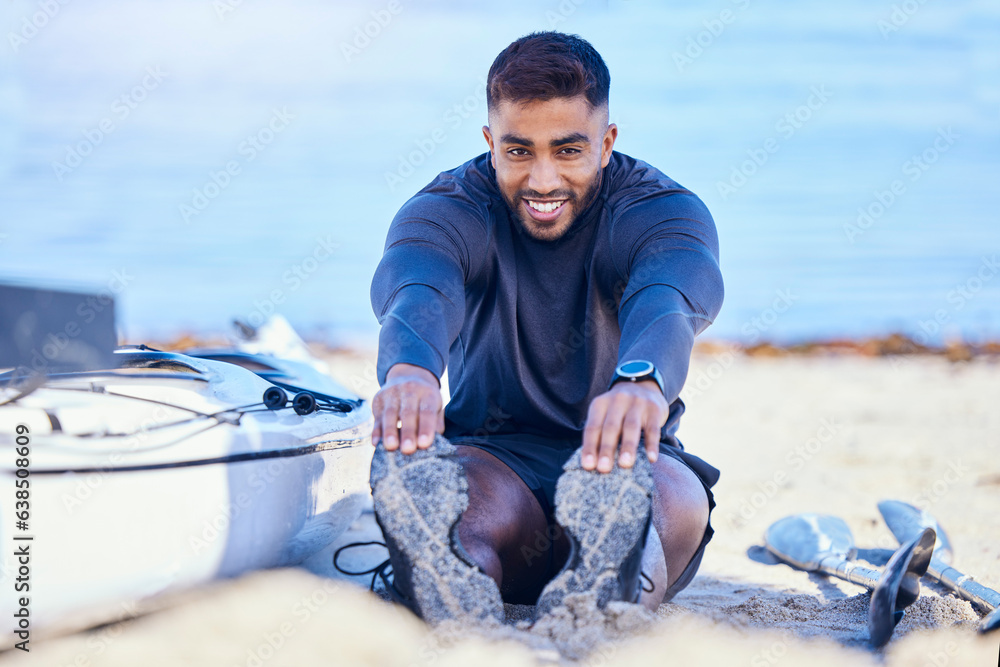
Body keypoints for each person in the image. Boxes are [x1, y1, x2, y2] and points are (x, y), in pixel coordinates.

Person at [367, 31, 723, 625]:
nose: (541, 181)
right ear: (489, 143)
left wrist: (641, 380)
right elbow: (418, 284)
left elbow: (671, 298)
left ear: (606, 143)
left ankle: (611, 587)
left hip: (629, 454)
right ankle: (450, 584)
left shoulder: (660, 211)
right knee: (463, 512)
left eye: (567, 151)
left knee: (668, 500)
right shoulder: (450, 208)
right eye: (518, 152)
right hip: (494, 458)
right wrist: (410, 368)